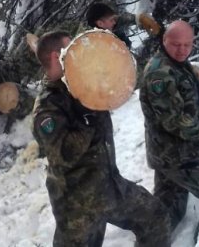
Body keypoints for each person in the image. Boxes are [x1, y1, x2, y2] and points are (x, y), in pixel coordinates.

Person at [32, 31, 171, 247]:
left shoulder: (80, 86)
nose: (79, 54)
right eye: (72, 50)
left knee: (155, 216)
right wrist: (85, 121)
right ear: (55, 56)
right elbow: (64, 154)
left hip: (108, 187)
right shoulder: (49, 105)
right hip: (78, 202)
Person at [139, 20, 199, 242]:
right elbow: (174, 120)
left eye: (187, 45)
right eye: (175, 44)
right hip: (176, 157)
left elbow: (189, 108)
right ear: (164, 41)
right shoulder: (160, 74)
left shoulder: (178, 65)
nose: (182, 50)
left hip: (173, 152)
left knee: (169, 209)